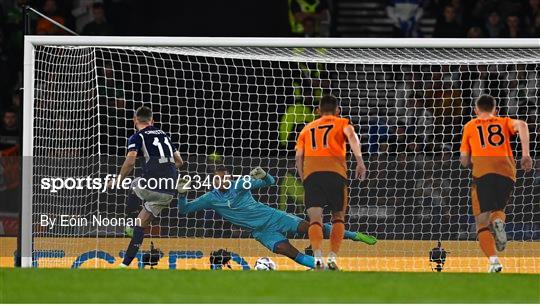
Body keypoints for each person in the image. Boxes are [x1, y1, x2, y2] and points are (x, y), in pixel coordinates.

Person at [177, 166, 376, 270]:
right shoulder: (210, 198)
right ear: (213, 180)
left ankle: (355, 235)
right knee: (287, 251)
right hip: (261, 231)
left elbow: (270, 182)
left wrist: (264, 176)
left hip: (273, 217)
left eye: (226, 176)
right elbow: (184, 210)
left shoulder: (241, 183)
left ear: (229, 177)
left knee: (310, 227)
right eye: (219, 177)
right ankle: (323, 267)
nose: (223, 180)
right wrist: (182, 194)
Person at [459, 95, 532, 273]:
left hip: (483, 171)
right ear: (495, 110)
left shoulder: (470, 126)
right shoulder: (504, 121)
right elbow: (522, 125)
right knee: (498, 209)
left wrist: (469, 161)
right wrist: (525, 155)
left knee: (482, 222)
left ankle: (494, 262)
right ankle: (499, 221)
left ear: (476, 111)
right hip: (506, 171)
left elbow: (463, 160)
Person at [295, 95, 367, 270]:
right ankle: (332, 258)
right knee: (338, 217)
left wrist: (304, 177)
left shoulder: (307, 128)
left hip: (313, 176)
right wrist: (360, 161)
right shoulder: (342, 123)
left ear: (318, 111)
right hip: (335, 174)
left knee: (315, 220)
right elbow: (352, 137)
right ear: (337, 110)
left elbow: (298, 157)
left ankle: (318, 257)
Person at [113, 106, 183, 268]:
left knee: (134, 183)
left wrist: (117, 180)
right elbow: (179, 161)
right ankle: (124, 266)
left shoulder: (137, 136)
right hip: (169, 191)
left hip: (152, 185)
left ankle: (128, 224)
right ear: (153, 121)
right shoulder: (165, 135)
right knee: (141, 223)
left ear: (134, 120)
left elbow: (130, 162)